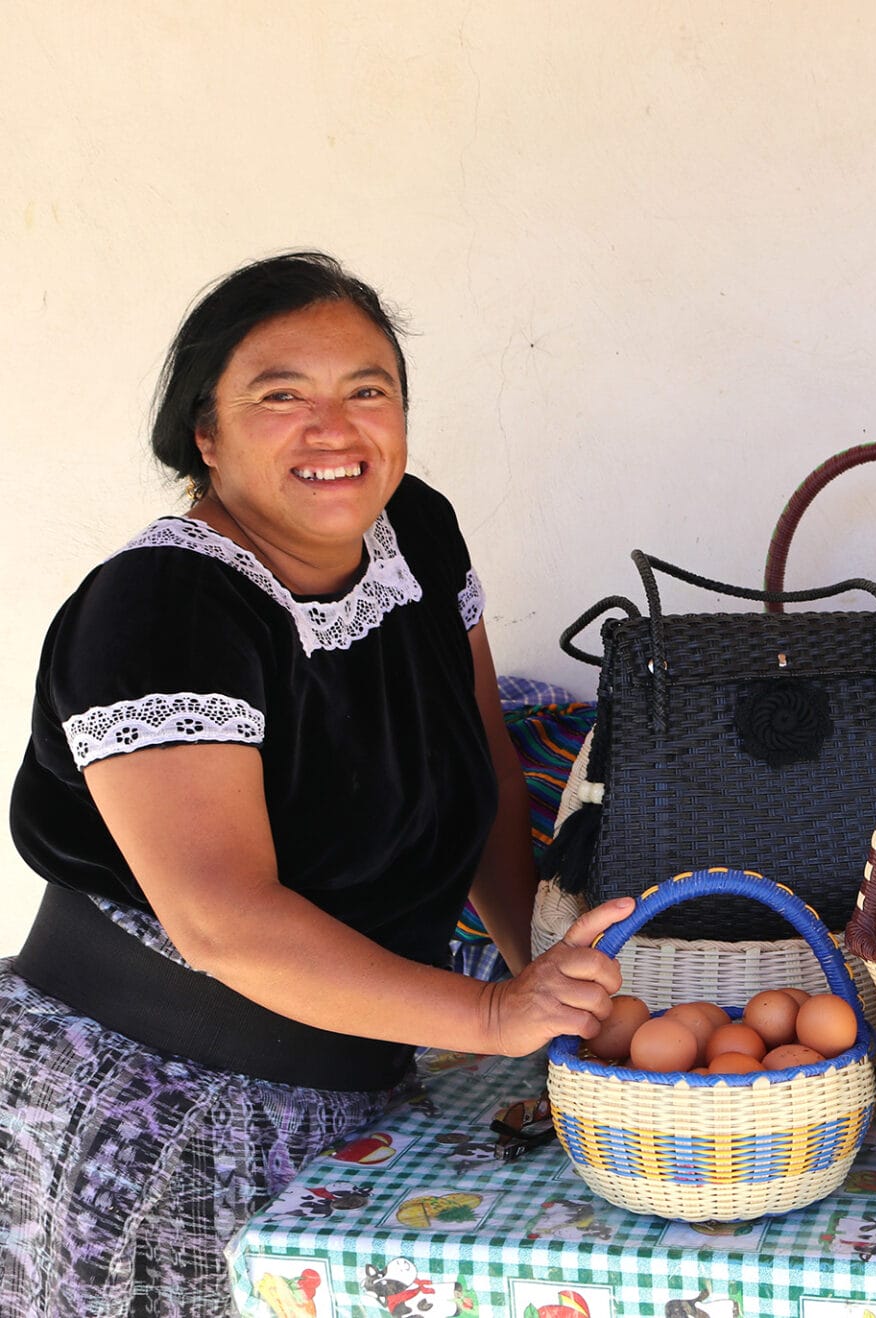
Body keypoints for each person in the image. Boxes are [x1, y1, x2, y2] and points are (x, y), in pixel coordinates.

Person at [0, 253, 632, 1316]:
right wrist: (489, 1015)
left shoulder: (415, 531)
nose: (333, 430)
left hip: (357, 1085)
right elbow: (224, 920)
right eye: (280, 395)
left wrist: (547, 987)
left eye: (367, 391)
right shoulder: (160, 611)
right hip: (155, 1112)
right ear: (207, 435)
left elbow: (470, 760)